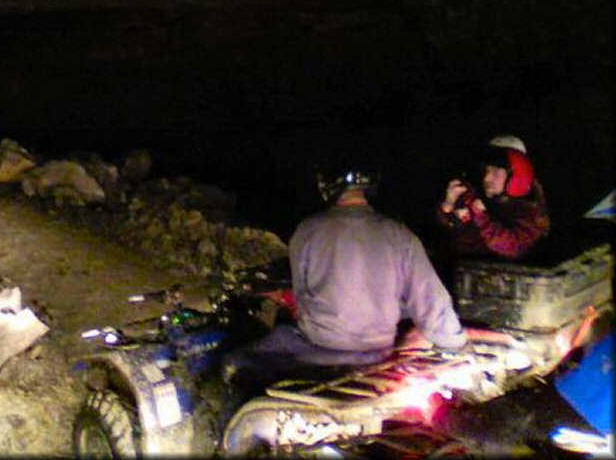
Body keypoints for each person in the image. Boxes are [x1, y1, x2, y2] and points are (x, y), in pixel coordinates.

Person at [223, 167, 467, 394]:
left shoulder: (308, 230)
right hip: (378, 351)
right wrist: (454, 344)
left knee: (235, 361)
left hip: (320, 349)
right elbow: (429, 298)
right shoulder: (399, 234)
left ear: (327, 187)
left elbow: (302, 295)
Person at [436, 135, 549, 260]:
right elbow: (452, 240)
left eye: (496, 171)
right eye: (486, 170)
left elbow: (513, 246)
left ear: (517, 172)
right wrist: (448, 207)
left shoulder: (530, 211)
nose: (487, 178)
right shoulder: (476, 196)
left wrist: (482, 218)